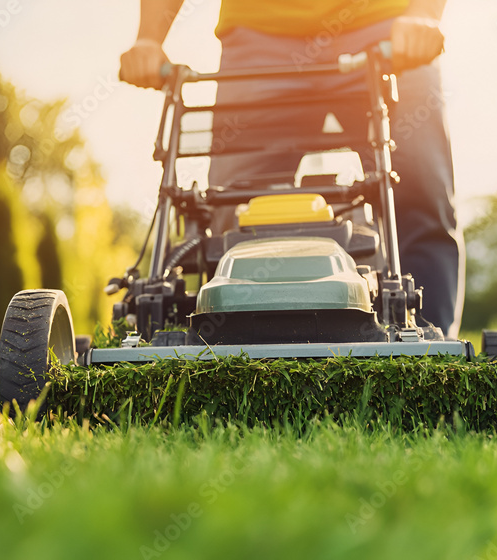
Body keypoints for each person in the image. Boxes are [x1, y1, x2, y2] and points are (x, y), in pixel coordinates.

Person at [119, 0, 464, 338]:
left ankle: (432, 355)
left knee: (418, 192)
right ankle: (232, 347)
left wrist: (422, 13)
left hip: (384, 22)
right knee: (230, 210)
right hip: (259, 33)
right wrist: (149, 38)